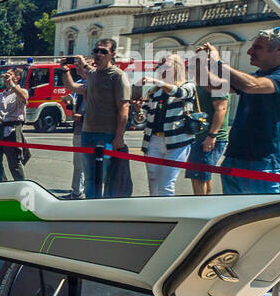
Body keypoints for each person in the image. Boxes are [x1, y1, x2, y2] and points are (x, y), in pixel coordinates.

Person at [198, 28, 280, 195]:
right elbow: (212, 86)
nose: (250, 51)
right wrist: (200, 64)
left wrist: (217, 63)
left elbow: (250, 86)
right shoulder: (258, 76)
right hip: (236, 157)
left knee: (261, 218)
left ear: (279, 49)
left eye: (257, 47)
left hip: (263, 161)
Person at [60, 38, 130, 198]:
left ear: (113, 54)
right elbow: (72, 87)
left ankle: (106, 210)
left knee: (106, 177)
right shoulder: (92, 74)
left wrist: (119, 137)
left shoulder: (118, 76)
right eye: (96, 51)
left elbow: (124, 107)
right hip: (88, 133)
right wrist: (64, 71)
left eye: (103, 51)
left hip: (108, 135)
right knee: (90, 178)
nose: (98, 54)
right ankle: (91, 207)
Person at [138, 53, 197, 197]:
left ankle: (165, 215)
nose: (162, 69)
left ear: (177, 68)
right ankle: (154, 213)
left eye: (167, 65)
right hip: (153, 140)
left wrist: (159, 83)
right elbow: (142, 119)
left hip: (177, 142)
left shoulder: (188, 86)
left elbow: (180, 93)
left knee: (166, 184)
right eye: (160, 65)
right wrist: (137, 111)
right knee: (153, 181)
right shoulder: (155, 92)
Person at [185, 50, 231, 196]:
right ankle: (205, 200)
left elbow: (221, 109)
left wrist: (212, 135)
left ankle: (200, 204)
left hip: (210, 138)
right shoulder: (200, 84)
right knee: (204, 175)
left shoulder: (216, 82)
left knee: (197, 176)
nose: (189, 69)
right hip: (201, 136)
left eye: (193, 65)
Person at [0, 68, 28, 182]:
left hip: (12, 130)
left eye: (10, 75)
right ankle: (2, 183)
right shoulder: (0, 95)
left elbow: (24, 98)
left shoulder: (21, 91)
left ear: (17, 78)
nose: (6, 78)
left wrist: (12, 84)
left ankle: (21, 186)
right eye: (5, 76)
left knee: (14, 162)